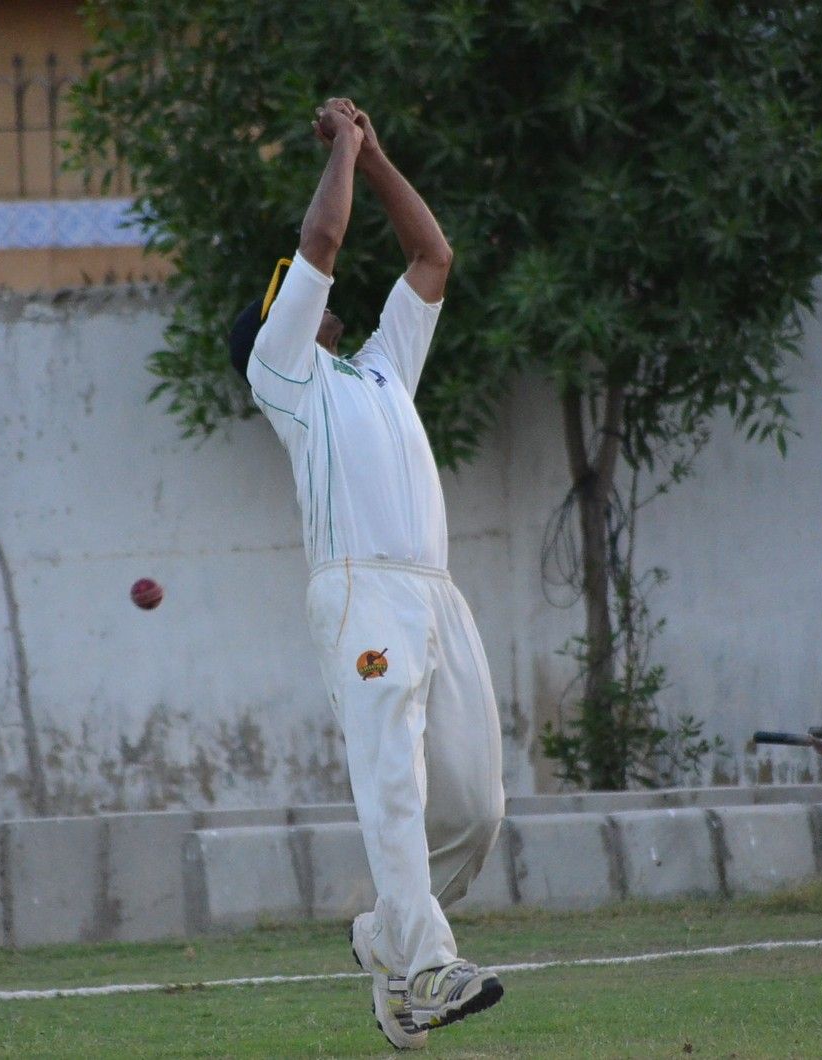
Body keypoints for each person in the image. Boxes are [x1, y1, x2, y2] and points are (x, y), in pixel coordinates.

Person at [228, 97, 506, 1050]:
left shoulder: (381, 369)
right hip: (361, 593)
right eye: (300, 298)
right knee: (394, 782)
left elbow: (432, 257)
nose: (317, 297)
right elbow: (323, 237)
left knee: (475, 809)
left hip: (435, 594)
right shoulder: (284, 374)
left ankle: (387, 939)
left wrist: (378, 154)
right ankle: (427, 964)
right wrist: (343, 146)